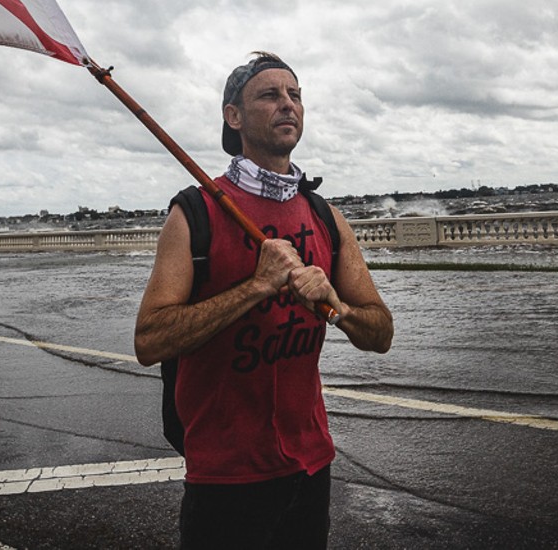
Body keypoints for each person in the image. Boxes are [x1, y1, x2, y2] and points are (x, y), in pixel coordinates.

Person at [135, 51, 394, 549]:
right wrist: (256, 286)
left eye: (295, 95)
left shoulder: (325, 216)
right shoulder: (196, 212)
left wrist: (335, 305)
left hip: (311, 464)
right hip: (225, 476)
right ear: (234, 116)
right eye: (269, 95)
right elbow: (149, 339)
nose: (288, 105)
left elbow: (380, 332)